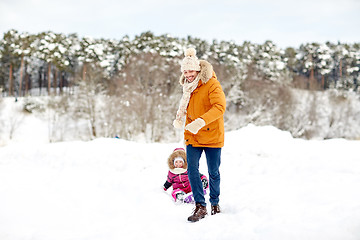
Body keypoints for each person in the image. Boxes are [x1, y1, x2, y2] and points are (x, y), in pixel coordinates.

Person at [173, 48, 226, 222]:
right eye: (185, 71)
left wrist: (201, 122)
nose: (188, 74)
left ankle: (215, 203)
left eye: (190, 71)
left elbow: (219, 107)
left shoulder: (212, 84)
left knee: (213, 172)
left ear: (198, 70)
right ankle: (200, 206)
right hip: (192, 135)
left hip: (211, 135)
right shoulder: (187, 87)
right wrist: (182, 119)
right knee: (192, 171)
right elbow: (186, 106)